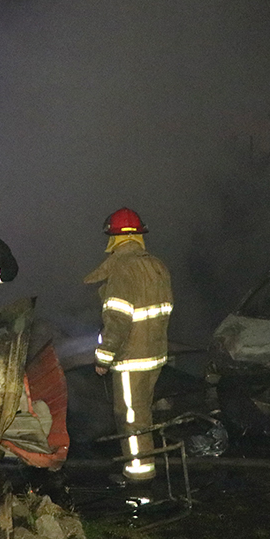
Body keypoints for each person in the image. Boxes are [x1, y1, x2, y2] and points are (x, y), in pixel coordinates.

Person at [83, 207, 173, 482]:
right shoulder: (157, 266)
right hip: (155, 356)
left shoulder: (123, 269)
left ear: (113, 239)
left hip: (131, 359)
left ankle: (139, 480)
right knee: (143, 413)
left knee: (131, 417)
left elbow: (117, 320)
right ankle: (145, 468)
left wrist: (104, 358)